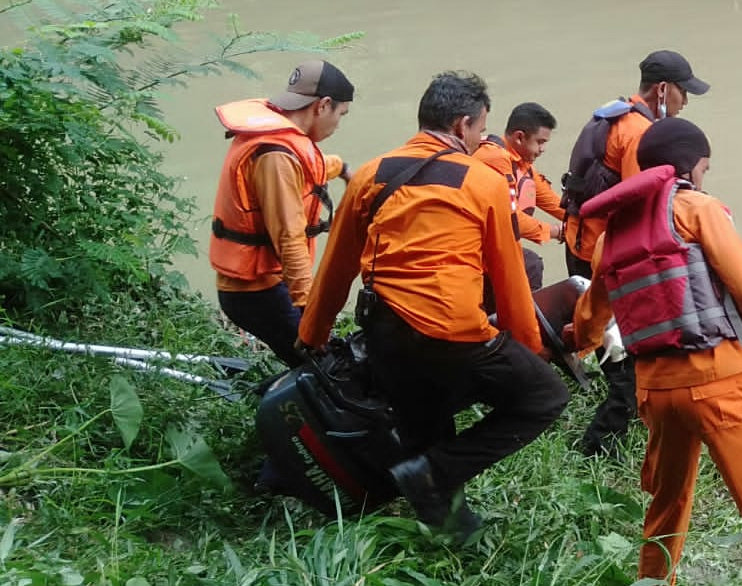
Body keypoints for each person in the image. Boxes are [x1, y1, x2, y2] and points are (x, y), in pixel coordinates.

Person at [297, 71, 571, 540]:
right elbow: (508, 278)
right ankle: (431, 474)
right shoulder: (482, 183)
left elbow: (335, 269)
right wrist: (530, 348)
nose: (482, 138)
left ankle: (450, 531)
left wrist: (312, 336)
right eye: (481, 129)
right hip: (453, 334)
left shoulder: (369, 174)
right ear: (463, 125)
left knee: (426, 425)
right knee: (544, 397)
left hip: (384, 333)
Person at [572, 117, 742, 586]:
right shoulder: (696, 208)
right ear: (690, 167)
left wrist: (581, 342)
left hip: (654, 392)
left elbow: (591, 313)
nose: (705, 176)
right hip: (718, 384)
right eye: (705, 167)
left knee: (666, 504)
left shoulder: (614, 235)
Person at [559, 49, 710, 457]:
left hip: (581, 244)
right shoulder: (640, 134)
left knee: (615, 348)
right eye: (683, 93)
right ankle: (598, 446)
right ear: (663, 90)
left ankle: (624, 416)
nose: (685, 103)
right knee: (627, 357)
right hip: (602, 256)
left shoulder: (613, 115)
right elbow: (639, 203)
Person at [210, 59, 353, 367]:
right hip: (256, 291)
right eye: (341, 115)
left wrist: (341, 168)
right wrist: (311, 310)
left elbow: (307, 169)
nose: (338, 125)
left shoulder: (276, 141)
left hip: (261, 284)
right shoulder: (276, 154)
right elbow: (289, 237)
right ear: (323, 105)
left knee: (310, 364)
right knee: (323, 369)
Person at [474, 102, 565, 291]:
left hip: (494, 248)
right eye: (540, 142)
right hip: (475, 254)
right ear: (519, 137)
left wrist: (582, 217)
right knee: (530, 265)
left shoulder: (521, 164)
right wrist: (557, 231)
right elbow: (510, 217)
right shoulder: (494, 159)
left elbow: (555, 203)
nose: (542, 149)